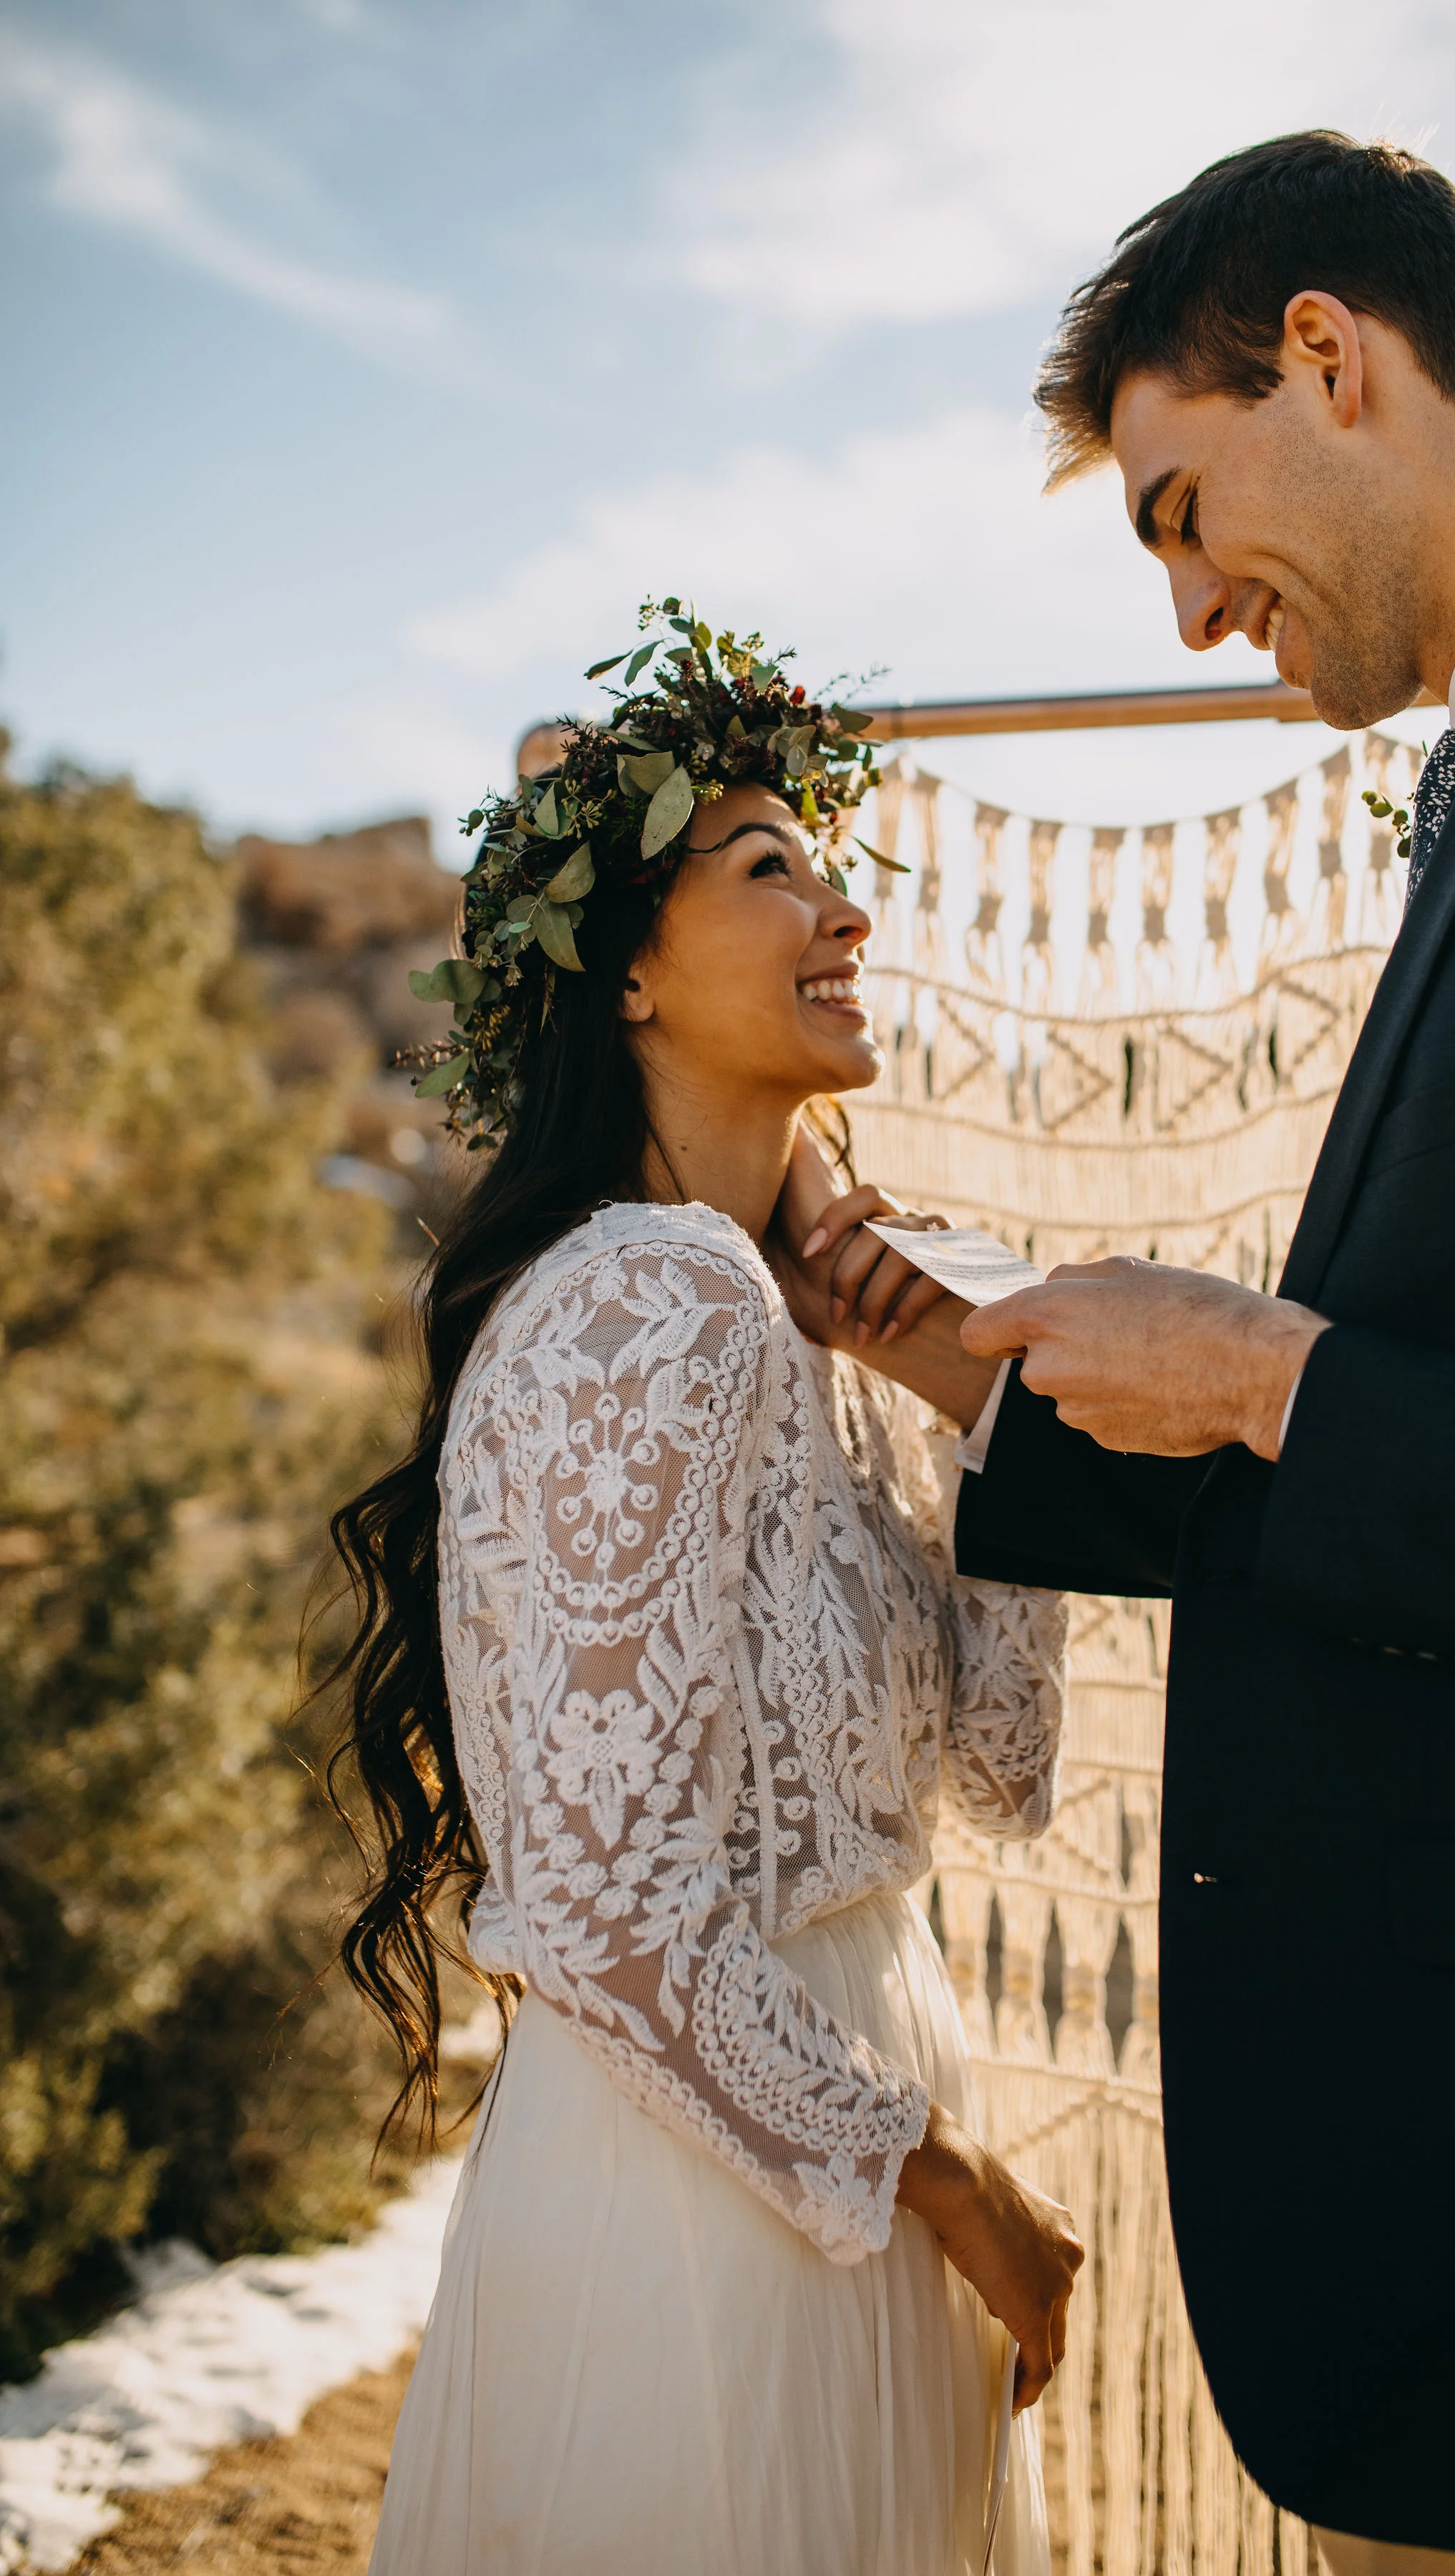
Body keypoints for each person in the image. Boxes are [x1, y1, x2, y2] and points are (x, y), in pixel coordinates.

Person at [775, 133, 1455, 2576]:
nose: (1194, 612)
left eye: (1186, 511)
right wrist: (973, 1361)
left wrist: (1286, 1376)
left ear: (1334, 355)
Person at [327, 611, 1081, 2576]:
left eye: (833, 873)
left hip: (854, 2146)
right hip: (714, 2216)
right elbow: (604, 1914)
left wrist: (962, 1391)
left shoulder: (796, 1328)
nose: (842, 913)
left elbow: (998, 1765)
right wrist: (959, 2185)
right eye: (772, 870)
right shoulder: (651, 1302)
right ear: (630, 974)